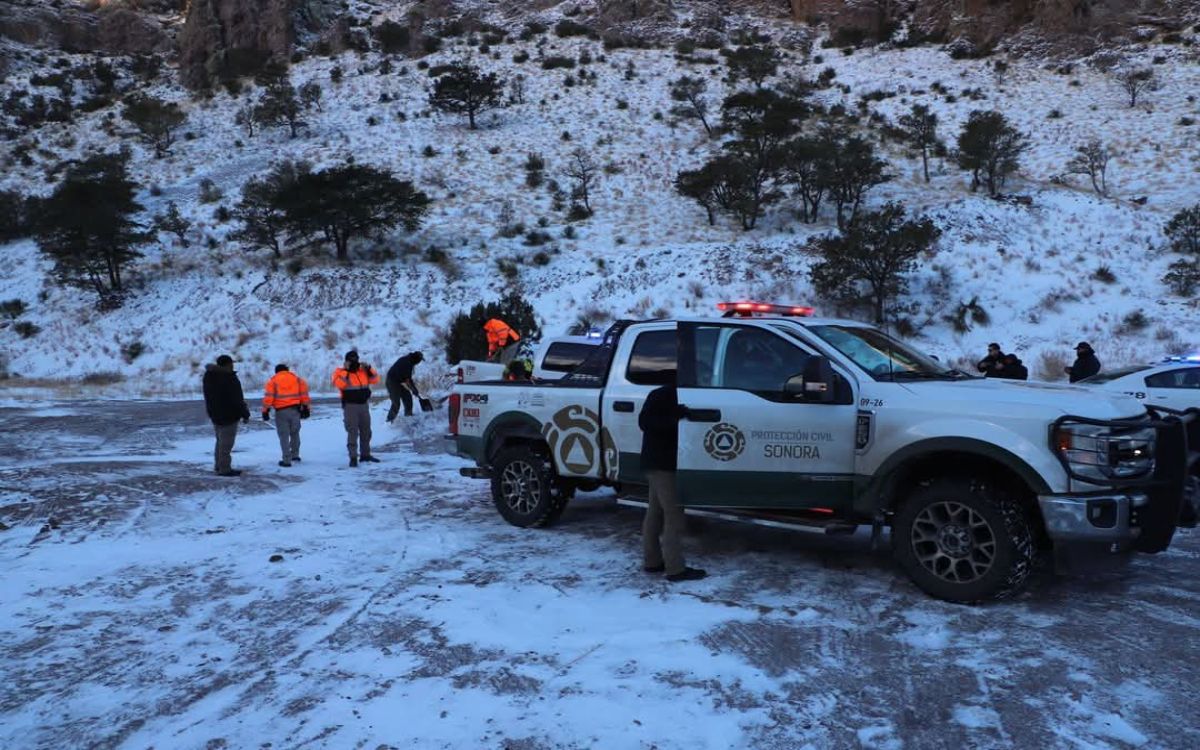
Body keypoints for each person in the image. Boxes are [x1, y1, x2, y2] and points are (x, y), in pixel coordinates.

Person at [639, 381, 706, 583]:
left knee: (655, 511)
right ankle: (675, 569)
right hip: (664, 465)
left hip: (653, 462)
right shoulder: (667, 396)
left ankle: (652, 562)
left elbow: (646, 421)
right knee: (674, 514)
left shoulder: (659, 393)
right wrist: (678, 416)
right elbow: (647, 423)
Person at [202, 354, 250, 476]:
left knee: (220, 442)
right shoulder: (229, 378)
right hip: (229, 415)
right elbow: (237, 399)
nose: (233, 365)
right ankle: (224, 468)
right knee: (226, 444)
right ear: (228, 364)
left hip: (215, 414)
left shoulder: (209, 377)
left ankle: (218, 465)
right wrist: (245, 414)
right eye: (231, 363)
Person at [332, 350, 380, 467]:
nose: (354, 362)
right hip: (350, 406)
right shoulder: (339, 372)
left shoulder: (362, 371)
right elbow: (340, 385)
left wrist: (369, 368)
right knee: (352, 432)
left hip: (364, 405)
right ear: (346, 361)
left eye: (356, 359)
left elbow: (375, 380)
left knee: (366, 431)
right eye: (351, 360)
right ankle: (353, 457)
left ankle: (365, 455)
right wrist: (346, 371)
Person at [262, 364, 311, 467]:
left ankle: (286, 460)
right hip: (295, 410)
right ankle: (295, 455)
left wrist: (265, 411)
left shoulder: (273, 381)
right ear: (287, 370)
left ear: (276, 371)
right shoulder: (297, 380)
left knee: (284, 436)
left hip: (281, 412)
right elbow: (304, 394)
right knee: (295, 433)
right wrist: (306, 408)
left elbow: (269, 397)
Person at [386, 351, 425, 422]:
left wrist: (413, 389)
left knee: (407, 397)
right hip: (392, 382)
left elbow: (407, 379)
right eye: (419, 361)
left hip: (399, 382)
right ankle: (389, 420)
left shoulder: (409, 361)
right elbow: (408, 380)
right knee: (396, 403)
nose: (419, 363)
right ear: (417, 359)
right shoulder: (407, 363)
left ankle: (408, 416)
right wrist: (414, 389)